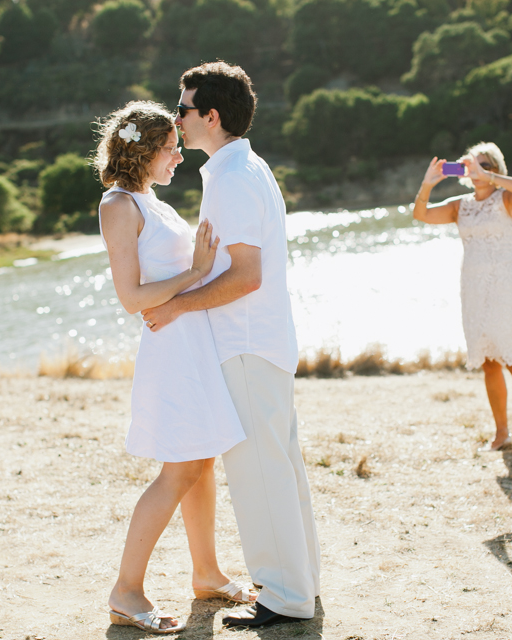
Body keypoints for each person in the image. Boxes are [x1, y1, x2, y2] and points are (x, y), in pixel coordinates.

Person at [141, 62, 321, 628]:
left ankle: (286, 597)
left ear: (210, 117)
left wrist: (173, 307)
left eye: (184, 110)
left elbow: (246, 275)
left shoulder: (233, 178)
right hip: (259, 342)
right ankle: (300, 586)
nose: (177, 119)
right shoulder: (239, 168)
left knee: (261, 475)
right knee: (281, 468)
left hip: (246, 344)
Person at [94, 101, 257, 634]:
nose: (179, 157)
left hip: (195, 343)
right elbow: (131, 297)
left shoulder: (150, 199)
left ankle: (206, 573)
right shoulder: (118, 204)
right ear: (144, 150)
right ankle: (126, 589)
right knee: (180, 468)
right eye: (171, 148)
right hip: (171, 350)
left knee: (202, 459)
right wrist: (197, 272)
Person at [413, 143, 512, 454]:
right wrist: (428, 183)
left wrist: (489, 176)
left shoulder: (508, 198)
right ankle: (502, 434)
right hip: (473, 288)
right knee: (488, 362)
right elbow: (420, 214)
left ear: (495, 169)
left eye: (485, 164)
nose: (477, 170)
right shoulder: (460, 206)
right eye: (472, 165)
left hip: (504, 287)